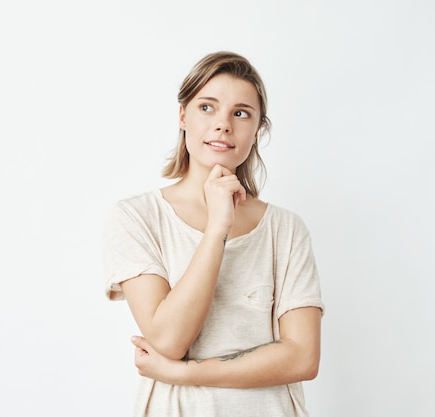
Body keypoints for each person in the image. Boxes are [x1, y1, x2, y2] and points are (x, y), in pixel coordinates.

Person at [103, 51, 324, 417]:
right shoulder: (136, 217)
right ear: (183, 116)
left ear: (258, 131)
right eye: (207, 107)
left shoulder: (286, 229)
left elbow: (303, 357)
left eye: (241, 113)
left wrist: (186, 373)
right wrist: (218, 226)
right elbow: (169, 339)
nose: (223, 124)